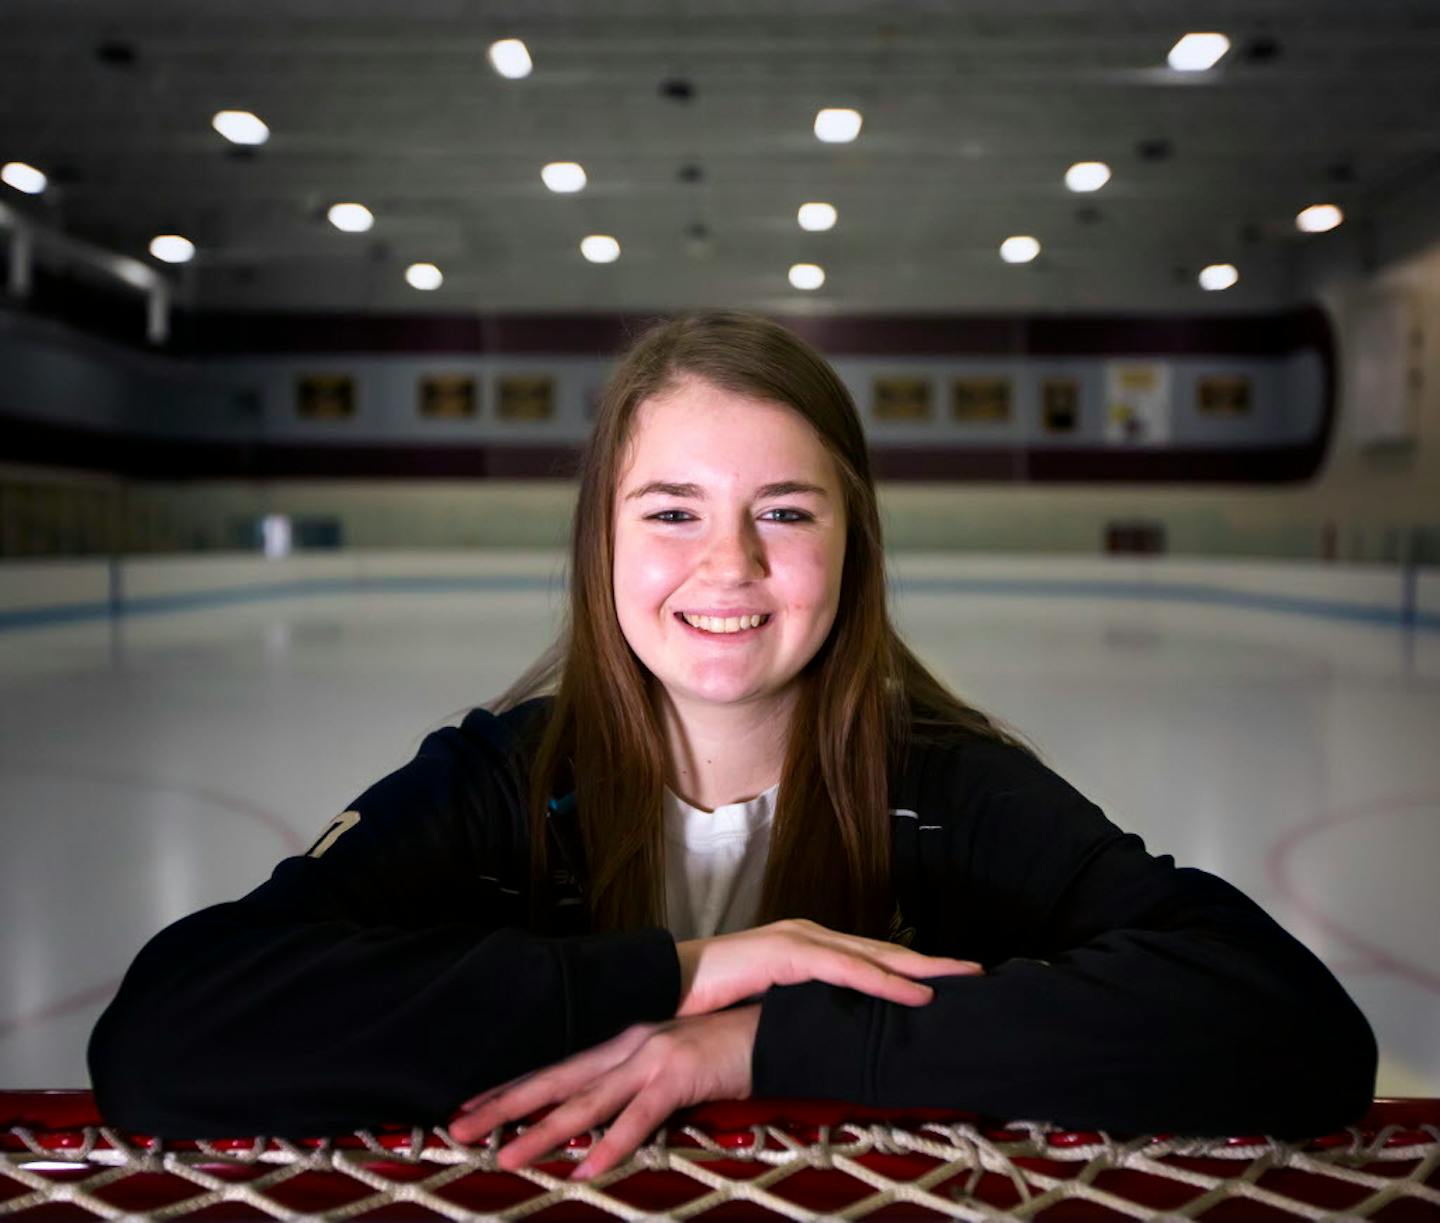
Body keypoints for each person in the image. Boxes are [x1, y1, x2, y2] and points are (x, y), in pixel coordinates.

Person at [89, 311, 1376, 1181]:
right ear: (602, 540)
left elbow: (1291, 1030)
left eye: (783, 510)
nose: (731, 564)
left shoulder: (946, 785)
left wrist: (759, 1041)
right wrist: (682, 973)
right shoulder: (495, 784)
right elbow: (170, 1036)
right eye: (671, 510)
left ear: (851, 544)